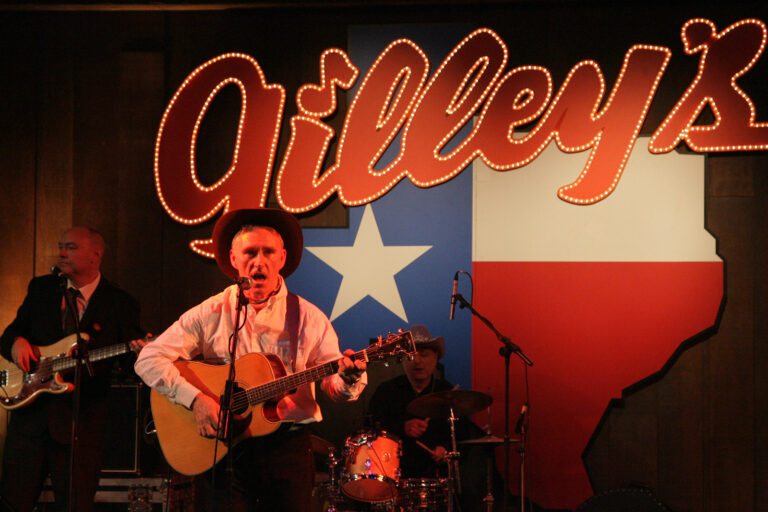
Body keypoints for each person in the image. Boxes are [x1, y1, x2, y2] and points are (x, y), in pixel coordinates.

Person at [134, 208, 367, 512]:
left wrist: (348, 378)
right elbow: (148, 358)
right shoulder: (211, 312)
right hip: (223, 449)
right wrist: (196, 400)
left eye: (268, 252)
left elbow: (334, 384)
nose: (259, 261)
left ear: (281, 259)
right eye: (250, 252)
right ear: (233, 260)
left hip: (287, 451)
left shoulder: (308, 317)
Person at [0, 226, 145, 512]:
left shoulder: (120, 302)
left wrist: (141, 353)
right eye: (60, 246)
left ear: (96, 255)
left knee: (76, 505)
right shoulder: (41, 289)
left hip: (82, 425)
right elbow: (10, 335)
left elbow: (128, 364)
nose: (62, 253)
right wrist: (16, 343)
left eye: (70, 247)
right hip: (30, 421)